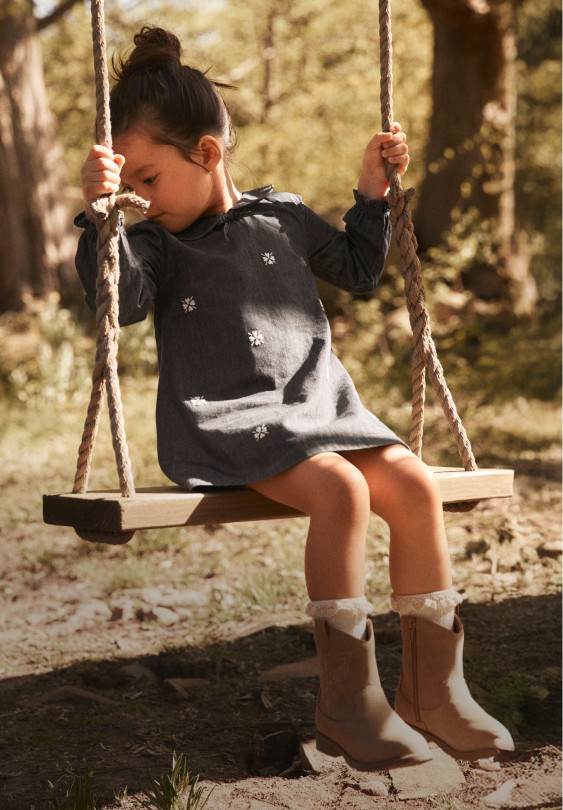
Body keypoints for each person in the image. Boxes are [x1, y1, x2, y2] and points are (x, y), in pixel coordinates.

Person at [76, 25, 514, 772]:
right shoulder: (152, 242)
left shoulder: (280, 213)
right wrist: (102, 216)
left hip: (319, 409)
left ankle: (435, 693)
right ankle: (348, 705)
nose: (139, 197)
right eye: (130, 185)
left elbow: (359, 269)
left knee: (412, 484)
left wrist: (371, 193)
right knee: (341, 491)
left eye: (146, 178)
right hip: (227, 420)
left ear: (206, 154)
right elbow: (123, 302)